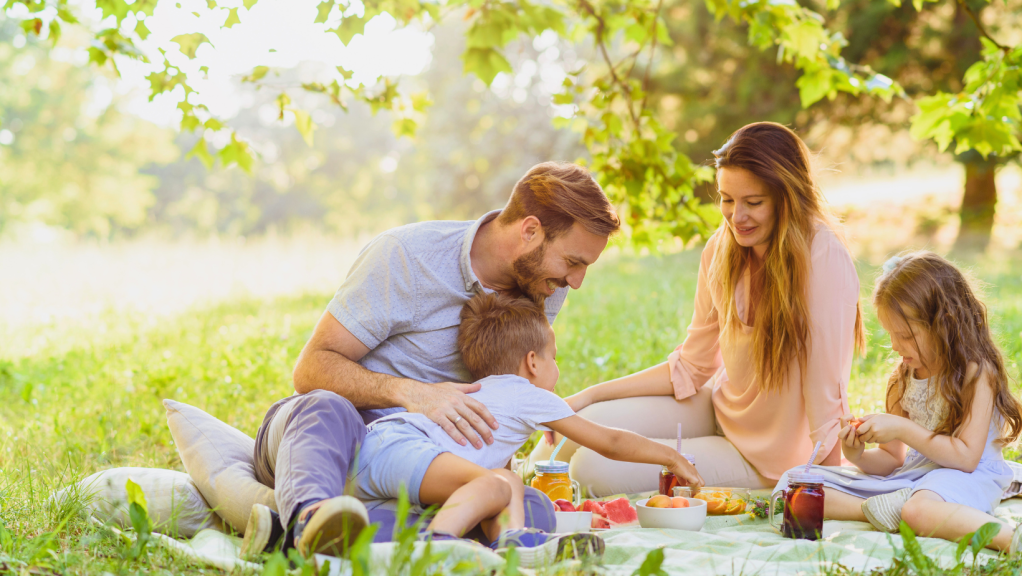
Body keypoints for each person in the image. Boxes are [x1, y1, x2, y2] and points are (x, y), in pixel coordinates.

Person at [242, 162, 622, 557]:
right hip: (334, 441)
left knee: (531, 511)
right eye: (573, 262)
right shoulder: (406, 256)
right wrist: (413, 394)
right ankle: (309, 518)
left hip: (424, 464)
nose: (576, 281)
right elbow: (311, 370)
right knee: (326, 406)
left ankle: (306, 537)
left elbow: (502, 393)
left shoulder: (543, 283)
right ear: (530, 231)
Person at [530, 122, 866, 495]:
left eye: (753, 202)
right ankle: (505, 487)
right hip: (718, 411)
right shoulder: (722, 249)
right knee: (580, 423)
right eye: (727, 199)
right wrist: (590, 395)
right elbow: (692, 366)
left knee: (592, 470)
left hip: (769, 458)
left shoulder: (823, 256)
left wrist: (827, 491)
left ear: (787, 197)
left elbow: (826, 392)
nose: (737, 217)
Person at [333, 292, 703, 566]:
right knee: (493, 484)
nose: (556, 370)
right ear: (532, 362)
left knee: (506, 483)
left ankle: (512, 545)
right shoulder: (525, 393)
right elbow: (610, 441)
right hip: (403, 449)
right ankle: (438, 547)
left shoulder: (490, 391)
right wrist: (669, 456)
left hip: (377, 454)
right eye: (554, 358)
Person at [783, 251, 1022, 551]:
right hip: (915, 477)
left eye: (905, 335)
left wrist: (901, 428)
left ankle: (1012, 539)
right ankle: (881, 508)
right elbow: (892, 460)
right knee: (794, 485)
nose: (895, 345)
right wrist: (856, 454)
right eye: (891, 334)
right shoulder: (902, 379)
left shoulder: (976, 373)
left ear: (943, 324)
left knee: (918, 511)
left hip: (970, 476)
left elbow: (966, 458)